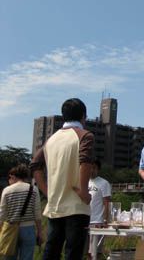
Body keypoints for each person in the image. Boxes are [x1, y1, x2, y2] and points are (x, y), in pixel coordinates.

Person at [30, 98, 94, 260]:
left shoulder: (52, 139)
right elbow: (85, 161)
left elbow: (35, 165)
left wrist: (46, 190)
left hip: (55, 205)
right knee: (73, 253)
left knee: (51, 251)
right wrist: (84, 191)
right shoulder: (84, 135)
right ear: (83, 117)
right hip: (76, 206)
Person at [0, 164, 42, 260]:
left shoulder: (7, 190)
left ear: (12, 176)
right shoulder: (33, 189)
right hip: (28, 229)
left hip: (10, 228)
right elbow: (37, 213)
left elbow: (2, 214)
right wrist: (39, 232)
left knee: (9, 257)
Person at [87, 159, 111, 259]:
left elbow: (107, 202)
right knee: (85, 251)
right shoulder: (83, 181)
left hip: (97, 222)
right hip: (84, 221)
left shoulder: (104, 183)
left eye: (94, 168)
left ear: (98, 169)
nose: (91, 170)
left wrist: (105, 220)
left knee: (96, 252)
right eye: (90, 168)